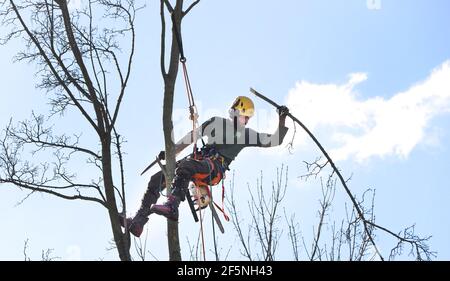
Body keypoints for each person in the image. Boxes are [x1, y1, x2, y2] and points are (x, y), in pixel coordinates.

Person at [120, 96, 289, 237]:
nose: (246, 120)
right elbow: (190, 138)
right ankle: (138, 223)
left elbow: (275, 140)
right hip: (197, 162)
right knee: (157, 179)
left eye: (248, 118)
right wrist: (170, 152)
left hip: (213, 168)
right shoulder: (215, 122)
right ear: (237, 112)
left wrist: (282, 119)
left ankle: (172, 206)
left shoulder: (246, 135)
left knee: (187, 166)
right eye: (245, 116)